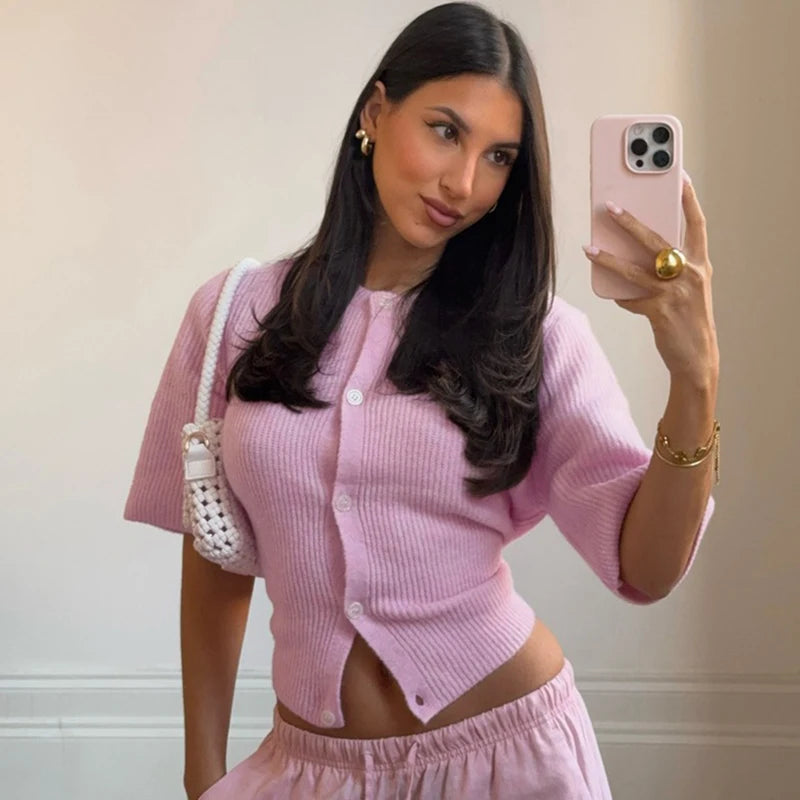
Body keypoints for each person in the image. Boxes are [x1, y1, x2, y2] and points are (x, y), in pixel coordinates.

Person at [123, 3, 719, 798]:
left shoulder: (536, 337)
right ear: (376, 111)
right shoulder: (235, 314)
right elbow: (216, 556)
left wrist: (695, 380)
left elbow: (647, 570)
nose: (464, 183)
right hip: (312, 771)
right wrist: (203, 773)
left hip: (510, 762)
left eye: (499, 156)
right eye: (445, 130)